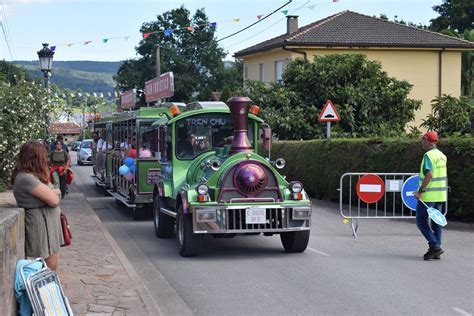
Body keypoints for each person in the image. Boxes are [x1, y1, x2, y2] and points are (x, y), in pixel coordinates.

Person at [11, 141, 63, 271]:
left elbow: (53, 195)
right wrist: (55, 192)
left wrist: (54, 193)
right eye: (43, 156)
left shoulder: (35, 176)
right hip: (41, 229)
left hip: (48, 228)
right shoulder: (26, 178)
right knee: (46, 269)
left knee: (50, 268)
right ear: (34, 158)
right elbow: (54, 200)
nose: (45, 159)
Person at [414, 131, 448, 261]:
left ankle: (434, 246)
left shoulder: (428, 156)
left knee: (421, 221)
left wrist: (420, 191)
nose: (422, 142)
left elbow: (429, 175)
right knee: (436, 222)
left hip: (428, 195)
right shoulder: (442, 156)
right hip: (440, 194)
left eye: (423, 140)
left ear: (427, 141)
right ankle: (435, 249)